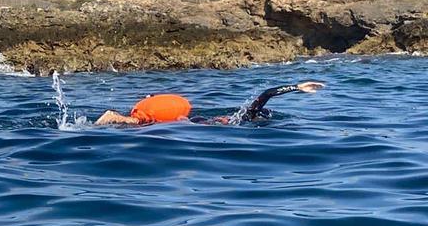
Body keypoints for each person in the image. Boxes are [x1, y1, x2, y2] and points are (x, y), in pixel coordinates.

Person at [95, 81, 326, 126]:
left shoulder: (239, 117)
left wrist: (297, 87)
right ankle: (117, 117)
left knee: (147, 122)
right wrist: (297, 87)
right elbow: (265, 95)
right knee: (149, 124)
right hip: (196, 125)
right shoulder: (243, 118)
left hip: (193, 121)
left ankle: (126, 114)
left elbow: (265, 94)